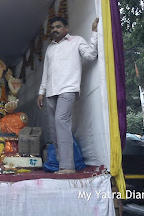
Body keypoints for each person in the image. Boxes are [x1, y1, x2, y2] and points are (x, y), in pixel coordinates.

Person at [37, 17, 99, 174]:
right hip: (51, 92)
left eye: (58, 26)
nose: (54, 30)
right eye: (52, 28)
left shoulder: (76, 41)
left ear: (66, 28)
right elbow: (46, 72)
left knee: (61, 122)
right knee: (54, 129)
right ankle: (59, 163)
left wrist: (94, 32)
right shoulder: (50, 49)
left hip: (68, 89)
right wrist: (41, 92)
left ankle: (68, 166)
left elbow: (91, 55)